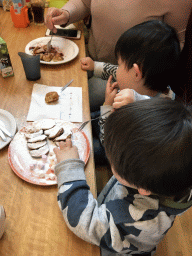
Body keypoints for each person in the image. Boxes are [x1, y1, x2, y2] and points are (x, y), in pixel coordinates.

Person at [53, 98, 192, 256]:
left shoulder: (131, 220)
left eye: (114, 163)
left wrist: (69, 166)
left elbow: (83, 219)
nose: (110, 158)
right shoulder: (167, 174)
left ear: (144, 189)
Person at [45, 0, 192, 110]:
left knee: (72, 102)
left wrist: (108, 108)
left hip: (128, 87)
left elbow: (109, 138)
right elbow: (84, 2)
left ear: (137, 72)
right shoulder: (128, 74)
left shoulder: (139, 101)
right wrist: (66, 13)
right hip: (116, 71)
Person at [80, 20, 180, 111]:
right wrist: (94, 66)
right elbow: (115, 71)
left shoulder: (133, 111)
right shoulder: (155, 82)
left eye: (119, 64)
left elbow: (106, 130)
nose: (117, 68)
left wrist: (107, 105)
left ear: (136, 74)